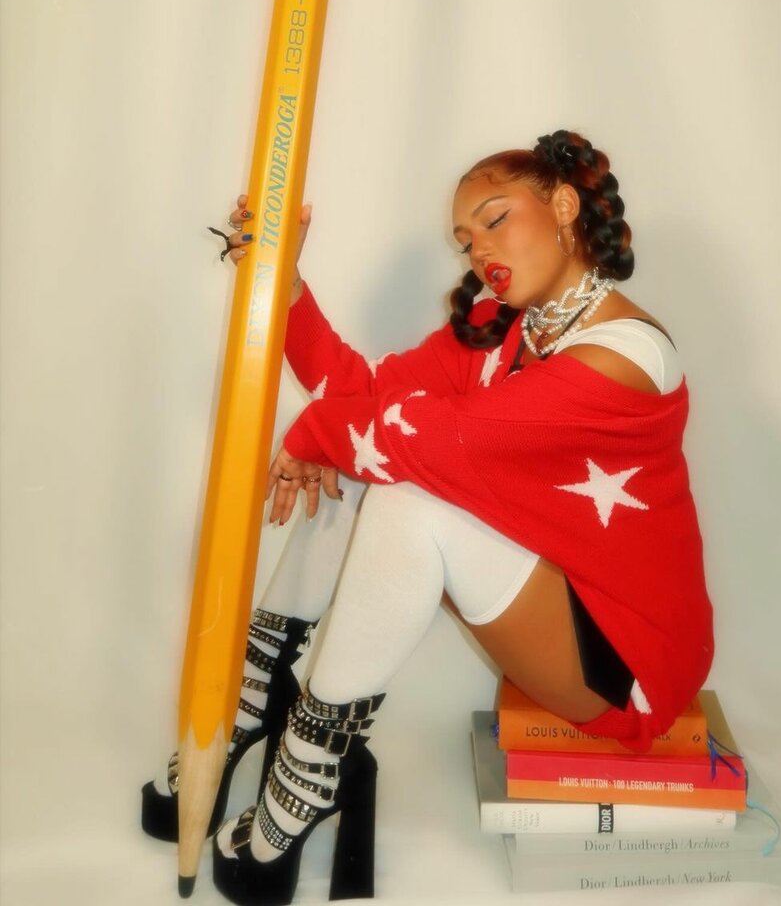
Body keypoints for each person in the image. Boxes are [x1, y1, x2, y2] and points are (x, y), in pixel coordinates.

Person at [147, 129, 714, 904]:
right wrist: (283, 283)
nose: (480, 250)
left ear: (562, 205)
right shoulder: (507, 330)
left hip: (627, 665)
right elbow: (361, 390)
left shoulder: (629, 355)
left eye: (495, 219)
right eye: (466, 240)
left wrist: (317, 438)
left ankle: (309, 766)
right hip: (557, 600)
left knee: (406, 494)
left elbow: (442, 440)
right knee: (375, 464)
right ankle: (258, 684)